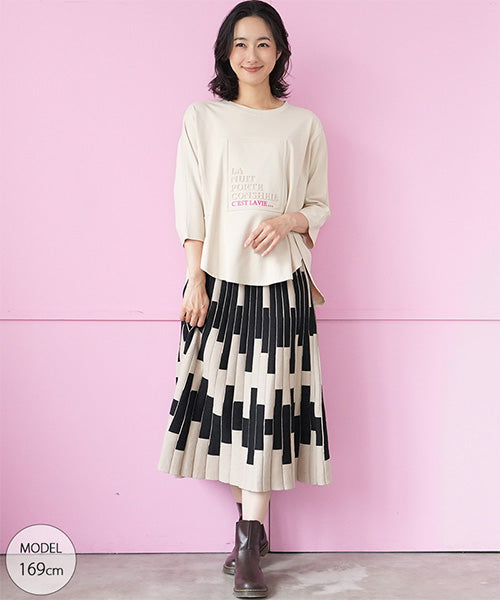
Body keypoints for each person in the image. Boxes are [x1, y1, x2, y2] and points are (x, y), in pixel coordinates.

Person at [157, 1, 332, 597]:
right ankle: (250, 537)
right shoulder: (202, 118)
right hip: (218, 283)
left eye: (262, 43)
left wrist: (285, 220)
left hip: (281, 285)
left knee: (266, 412)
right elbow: (189, 202)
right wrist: (195, 278)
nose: (251, 55)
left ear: (279, 51)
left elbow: (318, 205)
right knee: (232, 414)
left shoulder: (303, 125)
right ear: (225, 53)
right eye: (239, 44)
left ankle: (249, 542)